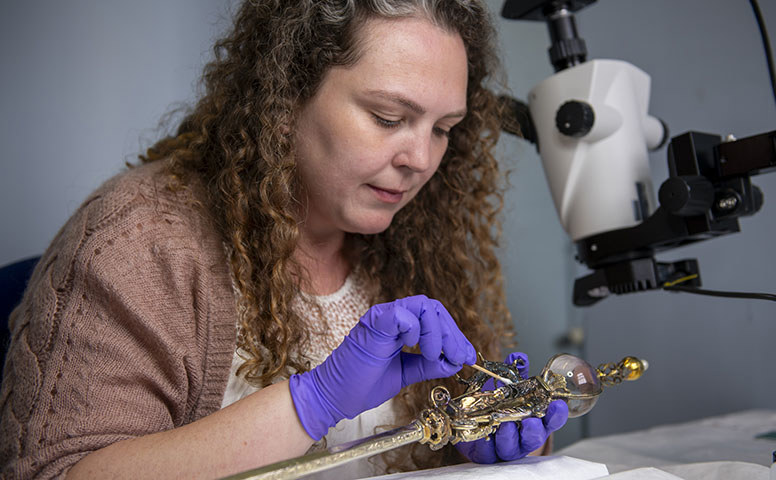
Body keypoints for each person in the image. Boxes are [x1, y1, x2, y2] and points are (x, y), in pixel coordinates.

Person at [0, 1, 568, 478]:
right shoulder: (139, 241)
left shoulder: (423, 243)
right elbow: (61, 474)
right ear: (285, 95)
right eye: (389, 117)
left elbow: (469, 425)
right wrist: (311, 403)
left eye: (443, 129)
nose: (420, 160)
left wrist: (497, 438)